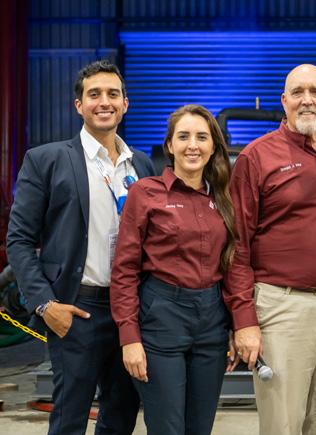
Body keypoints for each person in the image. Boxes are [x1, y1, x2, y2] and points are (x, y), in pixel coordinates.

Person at [6, 60, 155, 435]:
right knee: (69, 420)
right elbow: (19, 241)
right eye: (94, 94)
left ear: (125, 104)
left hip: (129, 310)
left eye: (113, 94)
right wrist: (45, 304)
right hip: (77, 308)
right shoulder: (47, 160)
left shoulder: (141, 166)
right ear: (79, 105)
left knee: (121, 416)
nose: (104, 102)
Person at [224, 64, 316, 435]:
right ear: (284, 101)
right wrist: (244, 321)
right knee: (281, 423)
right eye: (298, 92)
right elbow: (237, 245)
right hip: (282, 306)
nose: (307, 100)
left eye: (315, 92)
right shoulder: (257, 157)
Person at [110, 104, 237, 435]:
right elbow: (124, 269)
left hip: (212, 322)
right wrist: (129, 338)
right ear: (169, 145)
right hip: (161, 318)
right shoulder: (145, 193)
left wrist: (236, 325)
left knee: (200, 427)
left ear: (214, 146)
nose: (192, 145)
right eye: (183, 137)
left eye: (201, 137)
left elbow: (232, 264)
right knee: (167, 428)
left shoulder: (224, 197)